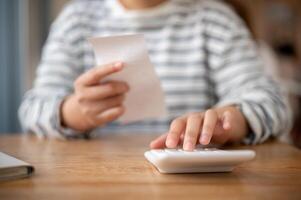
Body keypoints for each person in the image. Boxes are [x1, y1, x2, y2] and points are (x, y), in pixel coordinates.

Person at [19, 0, 292, 151]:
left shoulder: (215, 19)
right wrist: (72, 112)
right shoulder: (75, 20)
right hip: (98, 182)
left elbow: (273, 105)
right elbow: (32, 109)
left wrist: (233, 119)